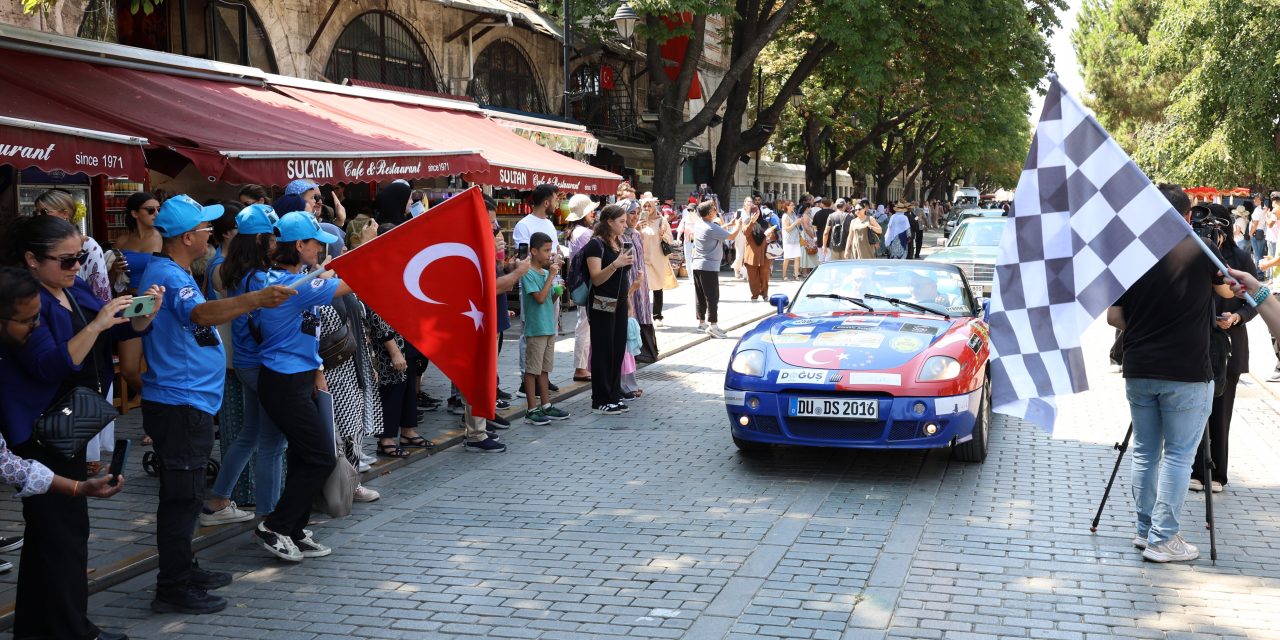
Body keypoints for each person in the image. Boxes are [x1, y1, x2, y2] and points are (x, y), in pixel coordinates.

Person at [137, 195, 296, 612]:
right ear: (188, 236)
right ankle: (172, 586)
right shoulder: (169, 275)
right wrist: (254, 300)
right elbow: (202, 316)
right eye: (206, 228)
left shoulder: (176, 271)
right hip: (178, 400)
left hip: (188, 399)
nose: (212, 232)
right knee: (181, 497)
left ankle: (184, 569)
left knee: (187, 495)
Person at [0, 221, 151, 640]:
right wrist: (98, 324)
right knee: (60, 535)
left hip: (71, 420)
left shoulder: (71, 290)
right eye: (67, 259)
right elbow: (50, 364)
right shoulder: (24, 304)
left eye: (81, 257)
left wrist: (138, 317)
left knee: (58, 533)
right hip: (42, 429)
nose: (76, 266)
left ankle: (41, 626)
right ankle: (68, 629)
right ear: (32, 259)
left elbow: (113, 330)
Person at [1105, 184, 1231, 563]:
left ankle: (1145, 531)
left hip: (1140, 366)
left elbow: (1113, 316)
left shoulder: (1130, 253)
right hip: (1188, 370)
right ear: (1187, 215)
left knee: (1145, 452)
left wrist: (1147, 328)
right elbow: (1227, 291)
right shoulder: (1202, 250)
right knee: (1178, 455)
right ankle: (1164, 538)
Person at [252, 212, 357, 563]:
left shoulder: (292, 279)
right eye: (316, 242)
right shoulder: (290, 286)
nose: (320, 248)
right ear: (299, 245)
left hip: (297, 379)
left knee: (304, 454)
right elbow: (347, 284)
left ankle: (294, 528)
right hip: (283, 382)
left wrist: (316, 373)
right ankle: (276, 526)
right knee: (320, 456)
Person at [200, 204, 288, 526]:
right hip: (262, 364)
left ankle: (218, 500)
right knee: (273, 442)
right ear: (261, 240)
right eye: (273, 236)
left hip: (245, 362)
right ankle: (269, 516)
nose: (277, 242)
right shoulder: (260, 277)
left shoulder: (231, 269)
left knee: (250, 434)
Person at [1190, 204, 1260, 494]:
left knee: (1221, 410)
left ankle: (1217, 472)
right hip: (1197, 342)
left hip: (1230, 343)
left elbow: (1255, 300)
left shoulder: (1240, 257)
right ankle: (1193, 469)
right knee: (1194, 409)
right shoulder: (1193, 254)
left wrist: (1237, 317)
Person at [584, 205, 635, 415]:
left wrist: (630, 297)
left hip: (620, 302)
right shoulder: (595, 245)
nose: (625, 225)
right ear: (609, 222)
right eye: (621, 221)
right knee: (603, 350)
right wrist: (616, 264)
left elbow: (622, 277)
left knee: (616, 349)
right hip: (602, 302)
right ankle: (600, 399)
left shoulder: (619, 242)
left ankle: (613, 395)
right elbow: (596, 278)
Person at [519, 232, 570, 425]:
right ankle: (531, 409)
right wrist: (551, 276)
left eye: (550, 250)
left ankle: (546, 405)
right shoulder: (528, 273)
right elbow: (539, 298)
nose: (549, 255)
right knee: (532, 370)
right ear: (533, 251)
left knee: (544, 369)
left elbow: (548, 299)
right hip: (536, 328)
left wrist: (557, 291)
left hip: (548, 326)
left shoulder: (543, 272)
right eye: (546, 250)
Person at [691, 200, 745, 338]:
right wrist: (738, 226)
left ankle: (702, 323)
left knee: (700, 296)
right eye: (714, 209)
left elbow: (716, 231)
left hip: (698, 264)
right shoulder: (711, 227)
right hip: (709, 266)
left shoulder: (699, 224)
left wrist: (729, 224)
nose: (716, 211)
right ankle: (713, 326)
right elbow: (731, 236)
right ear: (709, 214)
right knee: (712, 297)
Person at [565, 194, 598, 381]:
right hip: (587, 282)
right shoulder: (585, 233)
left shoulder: (576, 232)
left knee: (584, 323)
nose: (593, 213)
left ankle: (583, 365)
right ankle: (581, 367)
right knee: (585, 325)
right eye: (589, 210)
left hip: (581, 281)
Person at [639, 197, 677, 328]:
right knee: (643, 287)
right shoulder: (639, 221)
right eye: (644, 206)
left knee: (657, 287)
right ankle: (642, 314)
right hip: (643, 258)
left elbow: (670, 240)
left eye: (649, 206)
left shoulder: (662, 220)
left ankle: (657, 316)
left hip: (658, 258)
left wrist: (662, 234)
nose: (647, 209)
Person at [741, 204, 774, 301]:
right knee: (753, 277)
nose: (756, 213)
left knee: (765, 275)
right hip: (751, 254)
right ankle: (755, 295)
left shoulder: (764, 223)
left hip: (764, 253)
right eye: (753, 211)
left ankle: (765, 294)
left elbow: (771, 237)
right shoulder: (746, 222)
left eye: (757, 211)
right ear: (750, 213)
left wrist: (770, 235)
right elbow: (746, 233)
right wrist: (752, 222)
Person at [780, 200, 803, 280]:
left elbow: (796, 225)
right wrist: (796, 223)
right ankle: (784, 275)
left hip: (796, 239)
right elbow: (787, 229)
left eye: (793, 205)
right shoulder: (785, 216)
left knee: (797, 257)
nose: (794, 206)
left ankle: (796, 274)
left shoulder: (794, 214)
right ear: (787, 206)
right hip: (788, 240)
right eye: (792, 205)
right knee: (787, 258)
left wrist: (799, 222)